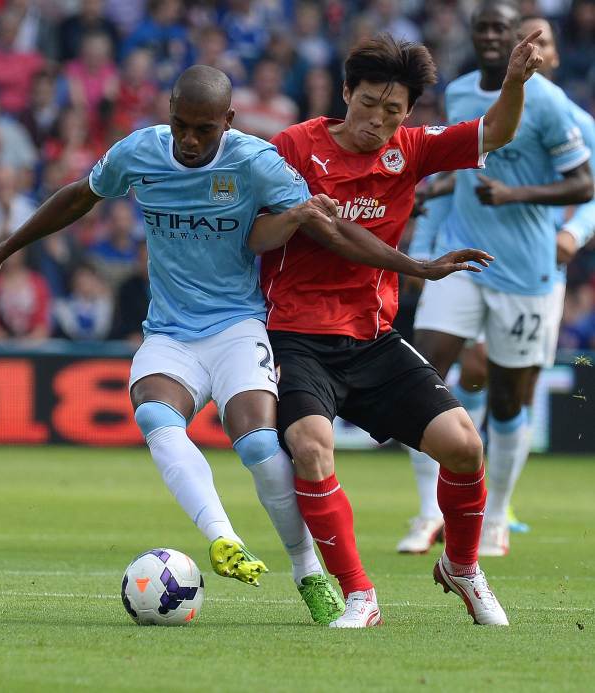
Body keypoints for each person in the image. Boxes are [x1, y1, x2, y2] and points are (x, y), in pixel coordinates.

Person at [0, 64, 478, 625]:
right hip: (170, 333)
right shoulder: (139, 152)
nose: (188, 139)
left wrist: (412, 267)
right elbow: (77, 197)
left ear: (227, 123)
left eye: (203, 130)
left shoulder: (255, 161)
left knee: (259, 446)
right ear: (168, 113)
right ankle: (223, 536)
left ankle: (308, 572)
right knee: (156, 417)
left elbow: (327, 229)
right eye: (180, 125)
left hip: (239, 327)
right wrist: (2, 251)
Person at [259, 24, 546, 628]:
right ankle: (361, 596)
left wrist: (515, 84)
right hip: (295, 335)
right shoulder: (294, 146)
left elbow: (495, 131)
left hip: (372, 338)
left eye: (393, 111)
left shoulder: (411, 149)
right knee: (311, 448)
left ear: (409, 113)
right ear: (345, 94)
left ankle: (463, 567)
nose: (378, 121)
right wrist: (416, 266)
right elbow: (328, 231)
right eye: (368, 104)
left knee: (465, 447)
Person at [401, 12, 595, 556]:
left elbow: (584, 183)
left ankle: (495, 520)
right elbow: (463, 169)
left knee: (509, 402)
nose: (490, 36)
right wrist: (428, 194)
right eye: (481, 27)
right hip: (463, 260)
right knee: (421, 380)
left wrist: (515, 196)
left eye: (501, 29)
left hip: (526, 272)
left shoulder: (553, 104)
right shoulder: (460, 92)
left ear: (520, 41)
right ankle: (425, 514)